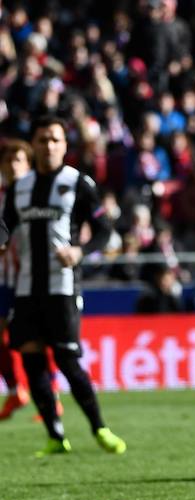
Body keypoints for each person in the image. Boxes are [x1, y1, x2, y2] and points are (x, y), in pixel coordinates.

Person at [1, 115, 127, 456]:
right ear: (35, 145)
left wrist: (80, 250)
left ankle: (100, 428)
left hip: (63, 286)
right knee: (32, 360)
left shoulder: (78, 183)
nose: (48, 146)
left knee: (67, 360)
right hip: (26, 289)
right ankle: (55, 436)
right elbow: (5, 225)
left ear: (64, 144)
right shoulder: (20, 187)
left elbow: (105, 230)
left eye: (55, 139)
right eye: (42, 140)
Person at [0, 140, 31, 419]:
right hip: (4, 279)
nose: (13, 166)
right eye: (8, 161)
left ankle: (52, 395)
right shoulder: (1, 195)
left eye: (18, 160)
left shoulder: (35, 193)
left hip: (31, 277)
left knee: (39, 337)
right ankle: (15, 390)